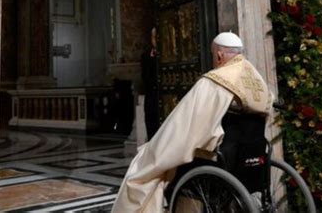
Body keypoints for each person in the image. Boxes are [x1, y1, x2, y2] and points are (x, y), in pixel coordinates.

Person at [111, 32, 273, 212]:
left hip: (221, 156)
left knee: (151, 165)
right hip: (251, 151)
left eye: (213, 56)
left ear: (219, 55)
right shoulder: (256, 79)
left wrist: (156, 147)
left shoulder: (216, 81)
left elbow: (182, 126)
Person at [141, 28, 160, 140]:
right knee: (151, 126)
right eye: (154, 37)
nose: (155, 40)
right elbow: (145, 76)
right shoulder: (146, 55)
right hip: (151, 96)